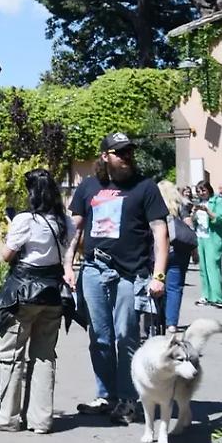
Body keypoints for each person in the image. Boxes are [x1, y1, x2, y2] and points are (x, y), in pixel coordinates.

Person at [64, 132, 168, 425]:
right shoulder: (88, 187)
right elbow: (76, 230)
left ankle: (127, 399)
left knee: (127, 336)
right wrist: (68, 266)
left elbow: (160, 232)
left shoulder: (145, 188)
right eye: (119, 152)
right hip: (94, 270)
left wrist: (158, 275)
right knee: (99, 337)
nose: (126, 157)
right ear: (105, 157)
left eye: (129, 152)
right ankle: (106, 395)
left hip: (130, 273)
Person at [0, 168, 75, 434]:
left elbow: (6, 256)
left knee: (11, 354)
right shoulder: (66, 222)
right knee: (45, 356)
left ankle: (5, 417)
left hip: (23, 294)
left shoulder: (25, 220)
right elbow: (66, 256)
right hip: (53, 294)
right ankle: (41, 420)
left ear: (32, 193)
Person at [155, 180, 197, 333]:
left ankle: (157, 319)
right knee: (175, 287)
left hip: (158, 251)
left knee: (157, 283)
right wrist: (194, 251)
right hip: (179, 251)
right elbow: (189, 228)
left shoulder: (154, 206)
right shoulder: (182, 206)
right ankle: (171, 323)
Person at [193, 180, 222, 309]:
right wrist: (193, 213)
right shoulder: (198, 203)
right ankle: (206, 295)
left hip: (213, 238)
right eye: (198, 191)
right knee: (203, 268)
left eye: (203, 190)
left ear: (209, 189)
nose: (201, 193)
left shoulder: (217, 201)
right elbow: (193, 222)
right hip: (200, 237)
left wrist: (207, 211)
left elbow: (221, 218)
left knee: (213, 267)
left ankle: (218, 298)